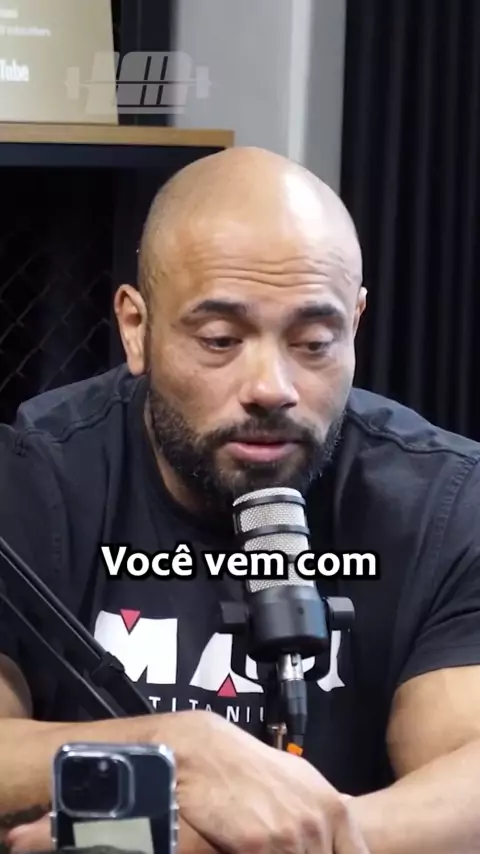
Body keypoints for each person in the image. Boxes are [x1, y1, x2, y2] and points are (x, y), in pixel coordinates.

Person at [1, 146, 480, 854]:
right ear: (136, 327)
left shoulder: (438, 500)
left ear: (355, 325)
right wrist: (178, 752)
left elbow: (464, 783)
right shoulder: (34, 481)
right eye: (221, 340)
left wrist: (193, 839)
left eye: (314, 342)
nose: (271, 387)